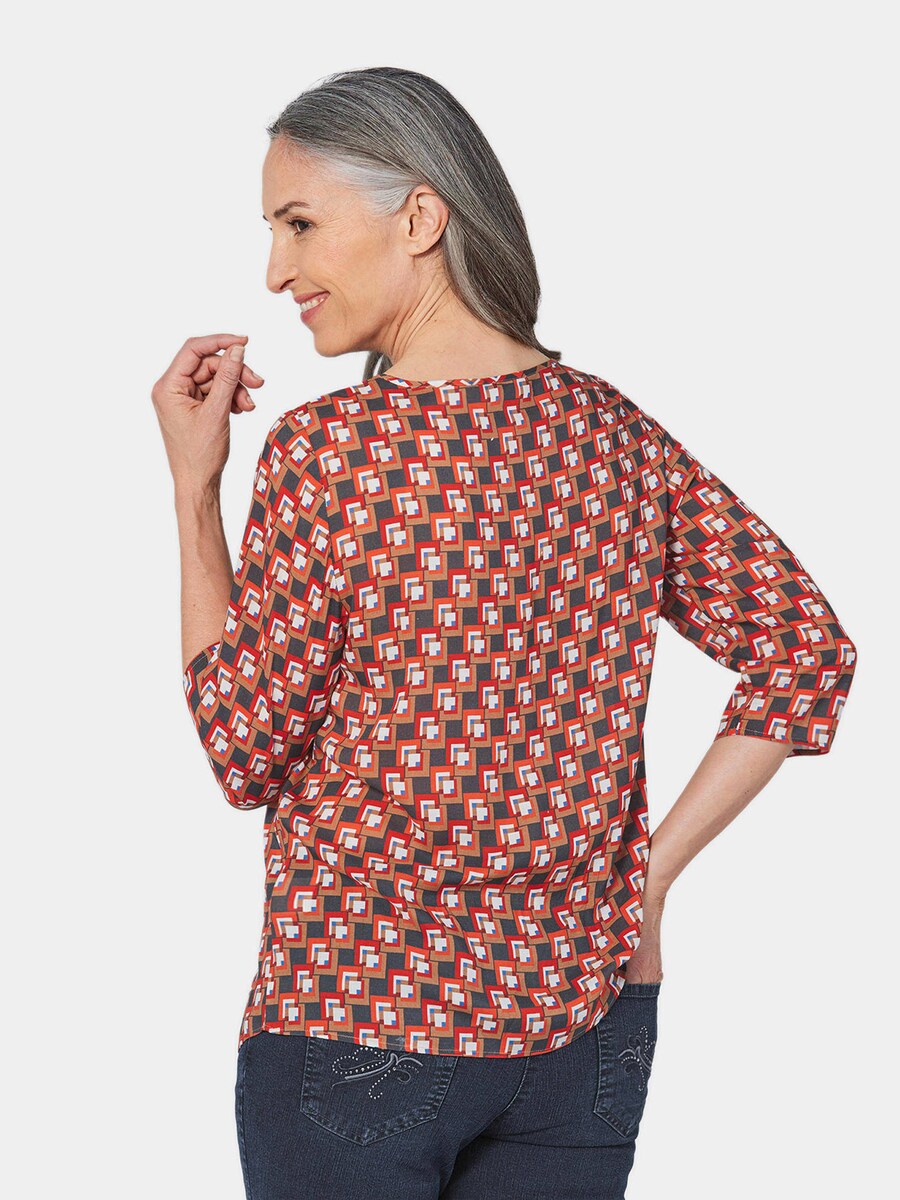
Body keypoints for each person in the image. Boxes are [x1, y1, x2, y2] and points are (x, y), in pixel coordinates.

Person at [153, 67, 858, 1200]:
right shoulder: (615, 438)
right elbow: (804, 648)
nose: (276, 270)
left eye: (299, 224)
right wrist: (646, 882)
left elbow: (243, 752)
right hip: (586, 1019)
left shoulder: (330, 454)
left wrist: (195, 493)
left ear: (420, 218)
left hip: (359, 1007)